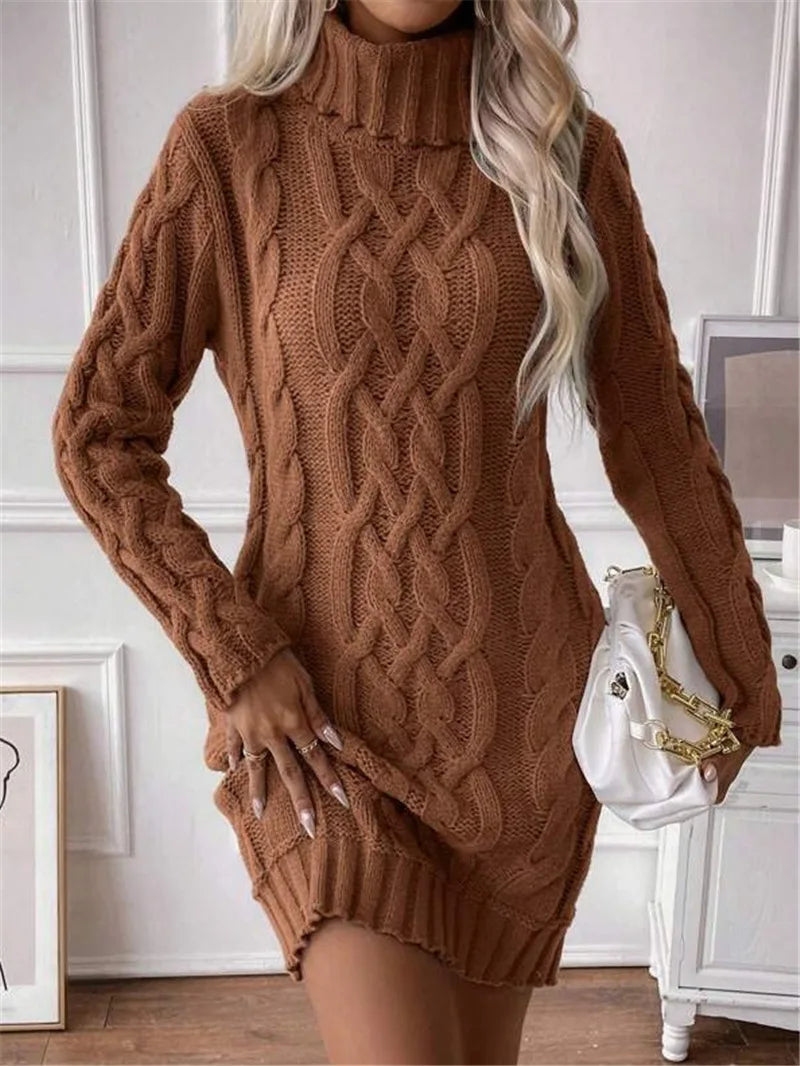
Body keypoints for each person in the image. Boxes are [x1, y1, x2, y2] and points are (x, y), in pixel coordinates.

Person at [50, 0, 783, 1061]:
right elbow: (98, 433)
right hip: (320, 736)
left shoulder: (562, 151)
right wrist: (236, 655)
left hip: (518, 731)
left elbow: (655, 434)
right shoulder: (228, 145)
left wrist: (740, 672)